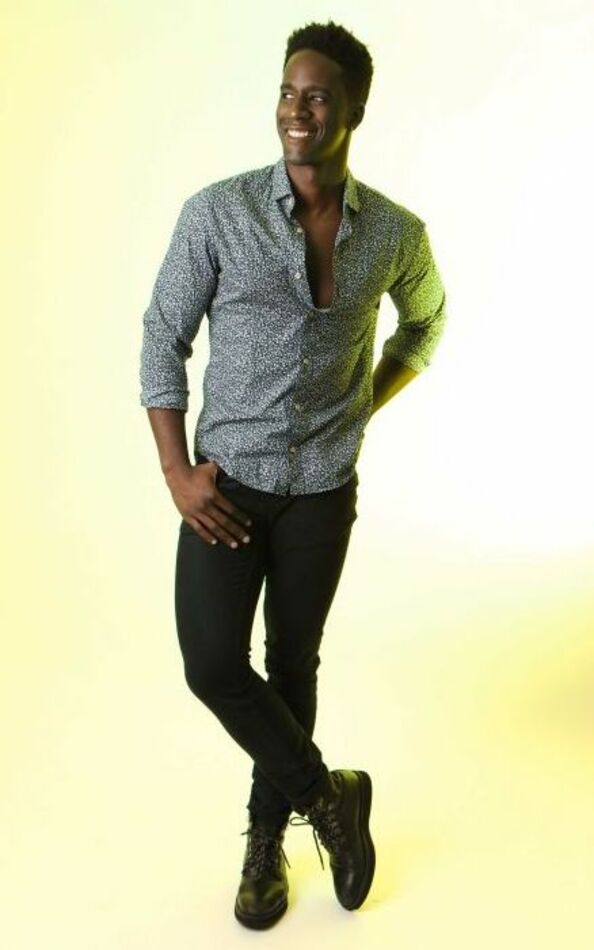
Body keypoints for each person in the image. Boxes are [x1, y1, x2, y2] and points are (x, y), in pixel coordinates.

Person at [139, 18, 447, 929]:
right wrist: (176, 472)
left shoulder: (394, 233)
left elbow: (426, 323)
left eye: (317, 96)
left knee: (291, 662)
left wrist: (364, 404)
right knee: (212, 663)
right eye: (287, 92)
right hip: (226, 486)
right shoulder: (217, 214)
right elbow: (161, 335)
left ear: (355, 109)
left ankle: (265, 844)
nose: (296, 110)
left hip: (322, 489)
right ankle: (327, 797)